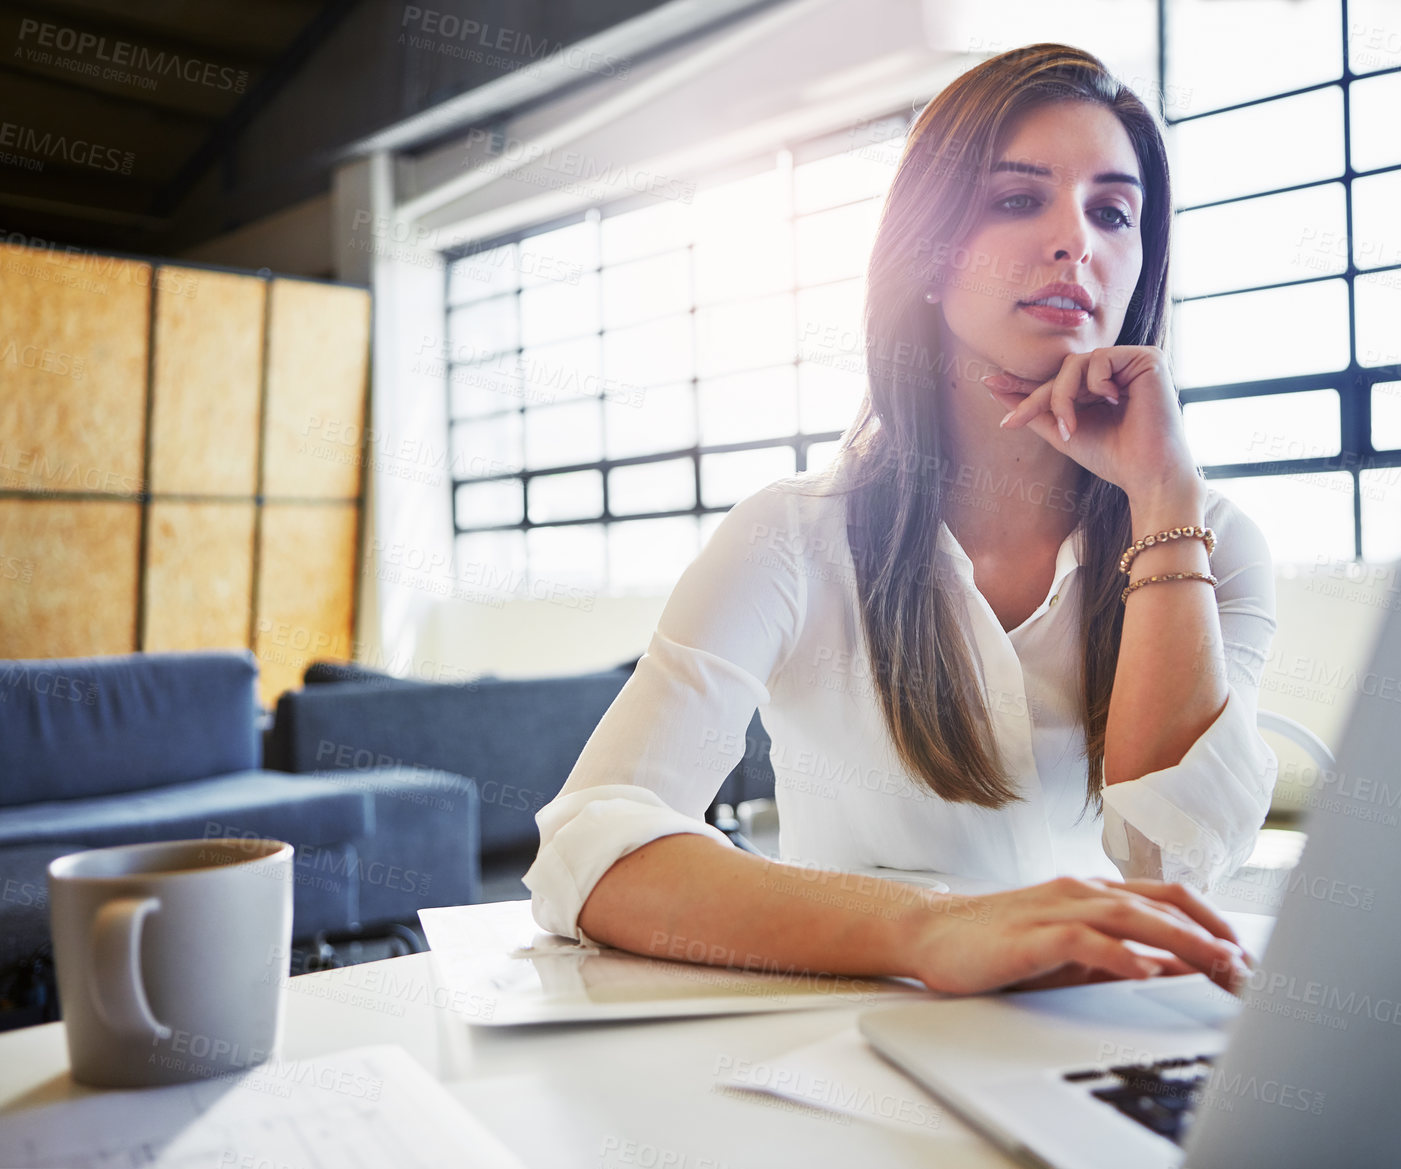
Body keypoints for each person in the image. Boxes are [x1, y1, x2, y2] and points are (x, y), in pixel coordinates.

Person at [523, 43, 1278, 996]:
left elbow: (1177, 860)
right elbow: (588, 849)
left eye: (1112, 212)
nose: (1073, 241)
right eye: (1017, 198)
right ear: (927, 254)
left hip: (1106, 1037)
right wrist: (934, 929)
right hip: (853, 1044)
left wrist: (1163, 500)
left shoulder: (1211, 537)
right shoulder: (790, 535)